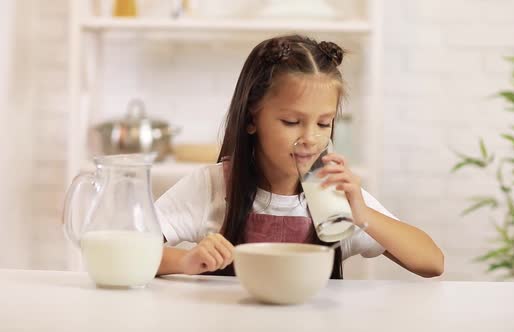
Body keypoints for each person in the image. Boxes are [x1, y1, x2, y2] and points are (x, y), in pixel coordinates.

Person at [155, 35, 444, 279]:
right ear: (251, 119)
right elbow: (126, 249)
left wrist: (361, 213)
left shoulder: (334, 197)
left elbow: (432, 263)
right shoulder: (213, 186)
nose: (310, 138)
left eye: (323, 123)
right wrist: (185, 262)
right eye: (292, 122)